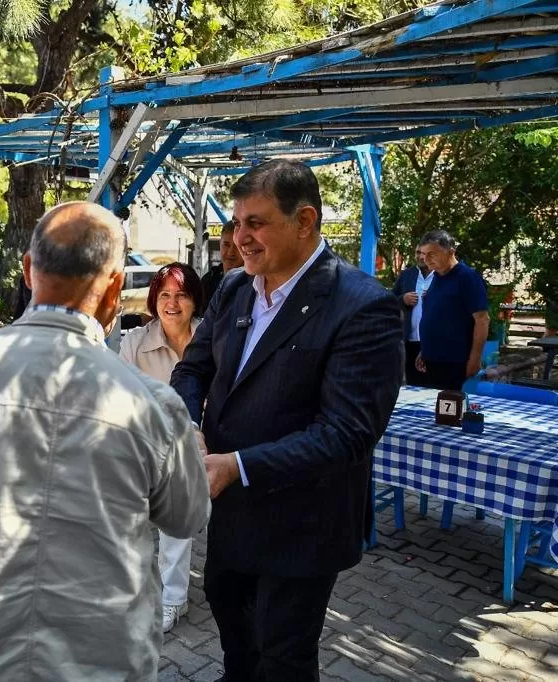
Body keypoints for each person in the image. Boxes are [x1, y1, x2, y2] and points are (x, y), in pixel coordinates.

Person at [0, 201, 210, 682]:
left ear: (28, 271)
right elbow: (186, 516)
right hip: (105, 662)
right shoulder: (153, 404)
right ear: (114, 290)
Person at [170, 159, 403, 682]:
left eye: (256, 223)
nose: (241, 238)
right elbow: (192, 369)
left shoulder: (363, 306)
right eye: (236, 224)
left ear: (305, 221)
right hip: (230, 514)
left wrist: (238, 465)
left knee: (282, 662)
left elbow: (348, 432)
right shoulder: (234, 289)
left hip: (302, 526)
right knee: (237, 652)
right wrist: (188, 425)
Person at [119, 262, 205, 633]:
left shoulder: (211, 337)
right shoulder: (134, 342)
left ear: (194, 300)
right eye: (164, 295)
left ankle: (173, 598)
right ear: (154, 301)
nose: (172, 303)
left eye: (182, 294)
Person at [415, 230, 489, 391]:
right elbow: (438, 315)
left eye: (432, 254)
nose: (425, 259)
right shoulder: (437, 277)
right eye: (423, 254)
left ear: (450, 252)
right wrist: (425, 349)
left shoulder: (467, 277)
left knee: (451, 410)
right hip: (432, 360)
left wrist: (475, 358)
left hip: (455, 361)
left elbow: (482, 320)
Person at [392, 245, 434, 386]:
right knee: (413, 385)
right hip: (410, 341)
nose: (420, 257)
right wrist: (402, 299)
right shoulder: (406, 275)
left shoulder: (442, 275)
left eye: (424, 253)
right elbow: (389, 300)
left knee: (435, 384)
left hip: (434, 342)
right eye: (417, 252)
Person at [200, 221, 244, 305]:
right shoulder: (208, 281)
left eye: (237, 246)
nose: (230, 252)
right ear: (220, 244)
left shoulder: (255, 284)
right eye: (226, 245)